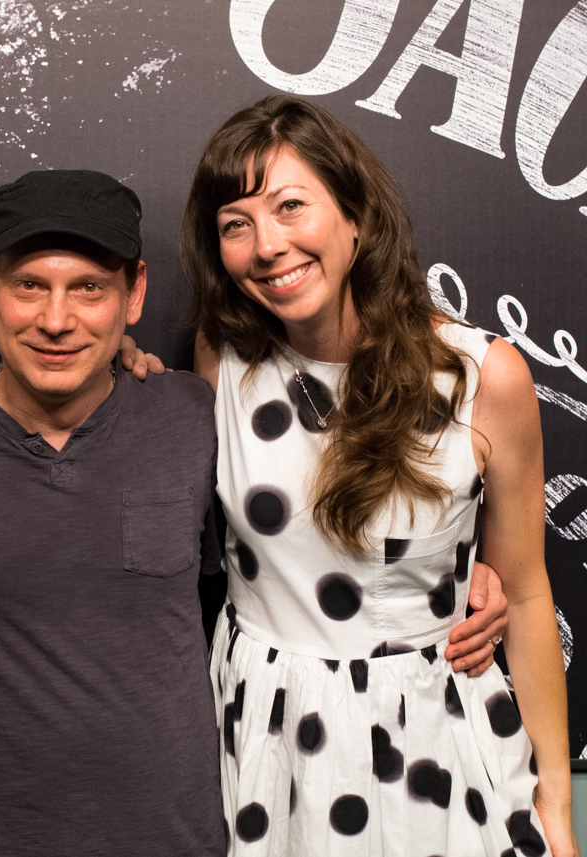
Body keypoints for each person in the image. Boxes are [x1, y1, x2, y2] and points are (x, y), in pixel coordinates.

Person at [0, 169, 507, 856]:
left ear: (135, 293)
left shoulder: (192, 415)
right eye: (29, 284)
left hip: (173, 836)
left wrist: (473, 576)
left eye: (90, 287)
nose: (56, 319)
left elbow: (313, 522)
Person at [180, 94, 577, 855]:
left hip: (437, 742)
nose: (268, 245)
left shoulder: (483, 376)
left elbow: (523, 590)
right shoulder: (221, 359)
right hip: (271, 744)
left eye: (292, 206)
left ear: (354, 214)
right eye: (236, 224)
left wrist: (555, 804)